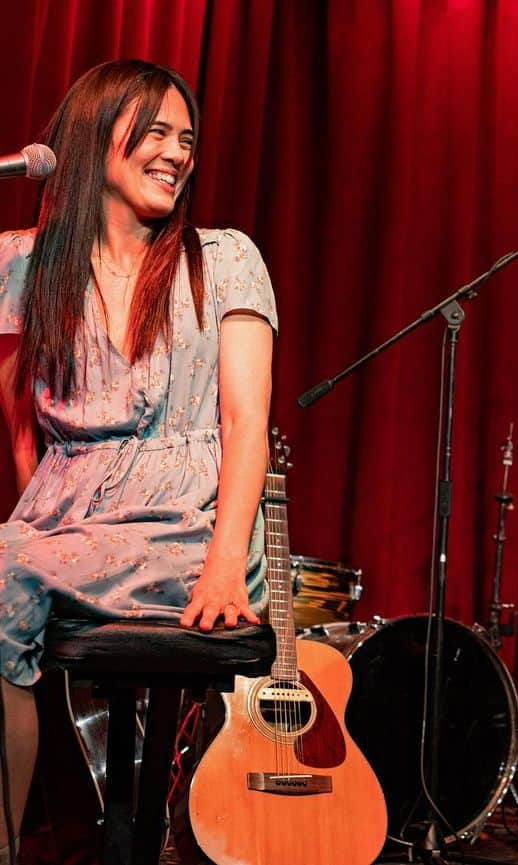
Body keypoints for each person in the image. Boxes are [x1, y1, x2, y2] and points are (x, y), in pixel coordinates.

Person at [0, 60, 276, 860]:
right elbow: (23, 429)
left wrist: (227, 563)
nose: (176, 151)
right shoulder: (24, 264)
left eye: (186, 138)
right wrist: (43, 539)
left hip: (190, 526)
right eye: (154, 131)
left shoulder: (224, 259)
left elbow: (245, 421)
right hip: (61, 520)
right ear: (94, 136)